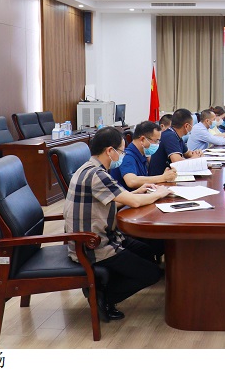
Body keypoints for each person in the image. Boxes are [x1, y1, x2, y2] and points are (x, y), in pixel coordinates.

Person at [63, 126, 172, 321]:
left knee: (147, 251)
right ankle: (103, 297)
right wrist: (159, 193)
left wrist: (137, 192)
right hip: (93, 245)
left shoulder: (89, 168)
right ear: (109, 151)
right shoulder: (98, 175)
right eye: (121, 151)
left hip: (102, 236)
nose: (122, 155)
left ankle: (104, 285)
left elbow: (115, 199)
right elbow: (134, 203)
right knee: (152, 274)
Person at [110, 120, 177, 190]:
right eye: (156, 141)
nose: (157, 144)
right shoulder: (127, 157)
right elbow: (131, 181)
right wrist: (162, 177)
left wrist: (165, 176)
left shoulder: (141, 156)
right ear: (142, 139)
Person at [147, 108, 204, 175]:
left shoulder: (176, 136)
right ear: (186, 126)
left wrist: (197, 153)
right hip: (160, 178)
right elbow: (177, 162)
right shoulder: (170, 136)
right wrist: (194, 159)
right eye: (192, 125)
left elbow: (188, 153)